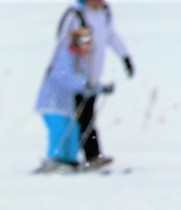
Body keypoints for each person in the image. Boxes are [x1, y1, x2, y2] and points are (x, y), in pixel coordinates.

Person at [55, 0, 133, 167]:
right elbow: (63, 42)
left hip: (92, 76)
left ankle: (89, 156)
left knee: (87, 116)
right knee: (80, 117)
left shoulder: (103, 12)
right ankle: (75, 156)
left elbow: (110, 35)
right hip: (75, 77)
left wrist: (125, 56)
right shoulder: (75, 15)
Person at [33, 21, 92, 172]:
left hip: (65, 104)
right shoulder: (65, 55)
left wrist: (98, 88)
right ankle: (55, 158)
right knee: (59, 129)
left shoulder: (81, 59)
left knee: (73, 130)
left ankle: (69, 160)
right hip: (51, 102)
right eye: (84, 42)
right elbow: (63, 77)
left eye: (89, 41)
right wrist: (85, 84)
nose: (87, 46)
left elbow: (83, 81)